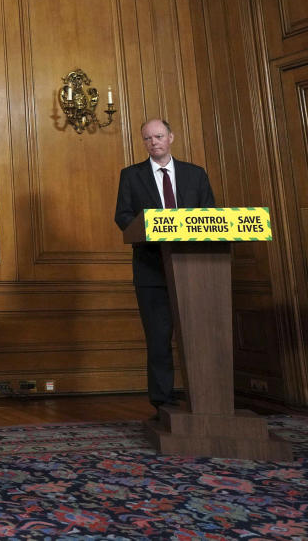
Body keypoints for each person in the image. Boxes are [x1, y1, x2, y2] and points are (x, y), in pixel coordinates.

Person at [114, 117, 216, 417]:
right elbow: (122, 216)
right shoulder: (131, 176)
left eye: (158, 136)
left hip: (195, 269)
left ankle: (207, 397)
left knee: (201, 336)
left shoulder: (195, 175)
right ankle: (163, 402)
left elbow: (210, 214)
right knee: (159, 339)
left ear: (171, 137)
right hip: (151, 269)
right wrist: (150, 232)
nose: (153, 142)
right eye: (147, 138)